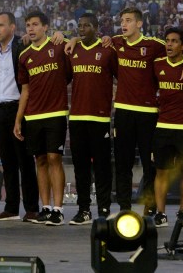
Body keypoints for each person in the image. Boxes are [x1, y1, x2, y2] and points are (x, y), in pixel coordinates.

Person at [67, 8, 183, 216]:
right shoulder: (115, 42)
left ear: (139, 24)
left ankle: (150, 207)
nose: (123, 24)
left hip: (148, 113)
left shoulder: (154, 45)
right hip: (123, 112)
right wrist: (73, 39)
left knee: (149, 164)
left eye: (128, 21)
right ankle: (125, 208)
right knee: (123, 164)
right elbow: (87, 39)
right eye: (121, 21)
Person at [14, 11, 71, 226]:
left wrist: (67, 36)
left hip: (55, 113)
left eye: (35, 24)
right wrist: (19, 119)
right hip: (33, 115)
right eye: (28, 25)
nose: (31, 28)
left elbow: (72, 65)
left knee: (54, 158)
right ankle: (45, 207)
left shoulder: (59, 46)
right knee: (40, 160)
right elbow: (25, 91)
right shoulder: (24, 55)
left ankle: (58, 208)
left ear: (45, 27)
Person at [67, 13, 117, 224]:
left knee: (102, 167)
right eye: (80, 25)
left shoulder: (107, 51)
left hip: (100, 118)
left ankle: (104, 209)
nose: (82, 29)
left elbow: (120, 78)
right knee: (80, 167)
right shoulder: (72, 50)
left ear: (96, 28)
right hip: (77, 117)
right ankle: (84, 210)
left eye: (86, 25)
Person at [0, 12, 39, 222]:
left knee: (25, 161)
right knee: (8, 162)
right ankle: (11, 207)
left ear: (12, 27)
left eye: (1, 25)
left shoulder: (22, 44)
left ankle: (31, 208)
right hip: (0, 109)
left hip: (20, 108)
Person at [152, 28, 183, 228]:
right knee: (161, 172)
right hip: (163, 126)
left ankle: (182, 213)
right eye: (167, 40)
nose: (169, 44)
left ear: (182, 46)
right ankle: (161, 214)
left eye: (174, 41)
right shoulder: (157, 64)